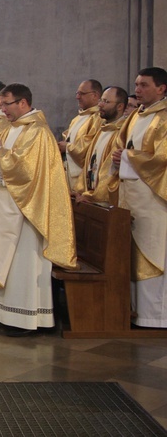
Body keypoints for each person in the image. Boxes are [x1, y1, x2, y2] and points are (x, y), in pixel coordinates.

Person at [0, 83, 76, 336]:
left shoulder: (37, 132)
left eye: (7, 104)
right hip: (6, 207)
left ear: (23, 103)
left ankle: (25, 319)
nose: (3, 109)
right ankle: (5, 313)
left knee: (23, 263)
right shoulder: (11, 128)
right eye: (2, 104)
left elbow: (29, 174)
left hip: (27, 211)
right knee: (8, 262)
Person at [112, 67, 167, 328]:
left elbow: (162, 159)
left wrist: (126, 157)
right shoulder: (136, 115)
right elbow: (121, 146)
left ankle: (156, 316)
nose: (138, 89)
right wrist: (119, 156)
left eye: (144, 85)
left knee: (152, 251)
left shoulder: (165, 118)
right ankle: (135, 312)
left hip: (153, 199)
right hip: (130, 196)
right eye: (136, 84)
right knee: (131, 254)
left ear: (161, 88)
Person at [74, 86, 127, 205]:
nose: (101, 105)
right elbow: (88, 161)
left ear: (120, 106)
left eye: (106, 102)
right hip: (89, 198)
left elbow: (110, 170)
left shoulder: (122, 132)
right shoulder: (102, 129)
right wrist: (80, 189)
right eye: (101, 100)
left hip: (105, 201)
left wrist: (93, 196)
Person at [58, 79, 103, 192]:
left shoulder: (98, 118)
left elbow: (90, 149)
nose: (77, 97)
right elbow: (67, 139)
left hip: (81, 178)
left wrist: (67, 147)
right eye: (77, 93)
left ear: (95, 95)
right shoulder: (77, 118)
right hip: (67, 173)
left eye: (82, 93)